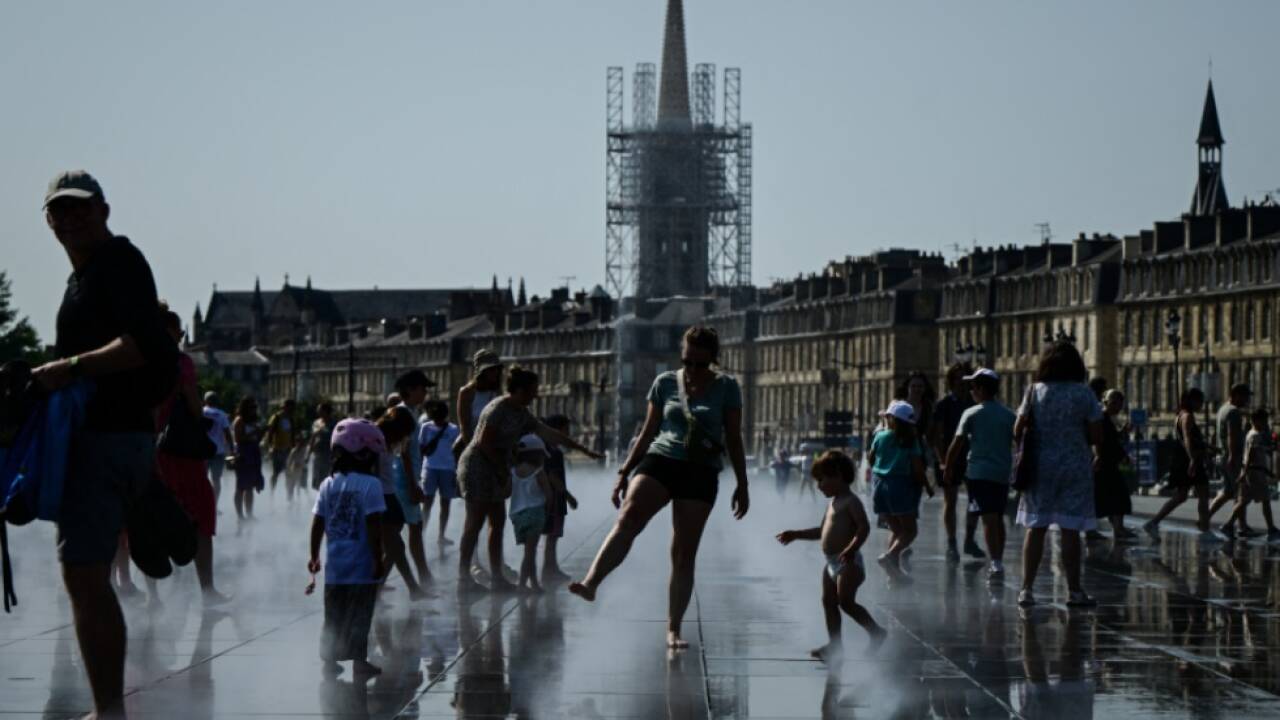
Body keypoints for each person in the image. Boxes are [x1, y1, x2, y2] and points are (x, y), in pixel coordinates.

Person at [31, 170, 178, 715]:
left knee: (85, 575)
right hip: (109, 437)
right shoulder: (88, 274)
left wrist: (67, 367)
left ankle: (109, 709)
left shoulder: (118, 262)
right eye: (58, 211)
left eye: (79, 208)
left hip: (107, 438)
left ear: (104, 210)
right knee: (88, 575)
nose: (69, 219)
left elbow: (141, 345)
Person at [570, 326, 749, 651]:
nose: (692, 369)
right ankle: (591, 582)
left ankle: (673, 629)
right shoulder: (665, 382)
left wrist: (742, 484)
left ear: (712, 359)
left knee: (683, 553)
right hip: (661, 459)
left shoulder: (727, 388)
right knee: (629, 516)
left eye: (700, 364)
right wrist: (624, 472)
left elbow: (734, 439)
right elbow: (648, 430)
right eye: (687, 361)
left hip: (701, 469)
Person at [458, 366, 603, 592]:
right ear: (519, 391)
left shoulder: (521, 413)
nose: (536, 395)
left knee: (497, 523)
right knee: (474, 523)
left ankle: (497, 577)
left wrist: (583, 449)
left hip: (496, 469)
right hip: (478, 467)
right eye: (532, 391)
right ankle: (463, 579)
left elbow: (549, 433)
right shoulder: (498, 408)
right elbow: (484, 443)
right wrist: (502, 468)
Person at [1014, 342, 1104, 608]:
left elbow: (1017, 429)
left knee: (1036, 527)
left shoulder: (1035, 392)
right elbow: (1098, 435)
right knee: (1070, 529)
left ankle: (1026, 589)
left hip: (1041, 465)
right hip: (1074, 466)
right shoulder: (1084, 394)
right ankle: (1074, 591)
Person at [776, 450, 886, 661]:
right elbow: (821, 531)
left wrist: (851, 549)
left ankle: (876, 632)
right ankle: (835, 647)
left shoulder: (851, 502)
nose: (818, 486)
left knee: (845, 602)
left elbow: (863, 528)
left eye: (821, 480)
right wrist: (796, 534)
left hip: (849, 562)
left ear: (837, 475)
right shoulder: (832, 503)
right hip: (831, 563)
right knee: (828, 601)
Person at [156, 308, 229, 604]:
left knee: (155, 516)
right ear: (170, 332)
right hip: (182, 450)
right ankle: (207, 589)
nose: (183, 338)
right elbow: (194, 406)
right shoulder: (180, 362)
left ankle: (155, 593)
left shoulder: (139, 362)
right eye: (180, 334)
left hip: (152, 449)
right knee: (200, 515)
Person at [309, 418, 387, 678]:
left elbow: (317, 523)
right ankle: (359, 663)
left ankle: (329, 660)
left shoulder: (327, 484)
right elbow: (374, 525)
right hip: (361, 567)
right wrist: (378, 558)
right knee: (360, 617)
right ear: (364, 453)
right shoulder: (371, 485)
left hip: (335, 568)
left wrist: (313, 555)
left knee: (333, 616)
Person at [944, 368, 1015, 581]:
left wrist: (948, 468)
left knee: (987, 518)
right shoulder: (1008, 415)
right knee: (998, 516)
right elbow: (1020, 442)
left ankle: (995, 563)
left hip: (978, 473)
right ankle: (998, 559)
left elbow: (956, 445)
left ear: (982, 389)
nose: (971, 391)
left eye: (973, 387)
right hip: (1002, 473)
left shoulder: (971, 413)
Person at [1142, 388, 1215, 540]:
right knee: (1203, 493)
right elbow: (1187, 439)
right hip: (1189, 459)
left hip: (1182, 459)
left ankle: (1153, 523)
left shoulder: (1180, 415)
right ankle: (1205, 531)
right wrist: (1193, 459)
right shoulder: (1187, 416)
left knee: (1181, 496)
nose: (1202, 404)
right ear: (1192, 401)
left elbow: (1188, 439)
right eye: (1200, 401)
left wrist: (1208, 447)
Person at [868, 400, 929, 576]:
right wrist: (927, 486)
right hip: (900, 486)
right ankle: (891, 556)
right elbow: (918, 468)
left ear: (891, 419)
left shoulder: (879, 436)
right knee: (910, 531)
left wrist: (880, 468)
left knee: (897, 530)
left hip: (878, 486)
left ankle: (893, 572)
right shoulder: (911, 440)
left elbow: (871, 458)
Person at [931, 363, 984, 563]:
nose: (962, 384)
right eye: (958, 380)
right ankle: (952, 542)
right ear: (951, 382)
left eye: (965, 380)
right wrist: (942, 460)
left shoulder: (974, 403)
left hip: (972, 458)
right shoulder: (944, 405)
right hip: (950, 458)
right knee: (950, 501)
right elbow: (935, 435)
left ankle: (969, 540)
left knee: (975, 502)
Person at [376, 406, 427, 599]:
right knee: (394, 546)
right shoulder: (376, 440)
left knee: (393, 546)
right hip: (380, 499)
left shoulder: (387, 441)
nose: (405, 438)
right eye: (405, 432)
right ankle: (410, 589)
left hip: (389, 496)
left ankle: (379, 587)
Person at [394, 370, 433, 584]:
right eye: (422, 388)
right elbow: (404, 452)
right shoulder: (405, 414)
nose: (426, 392)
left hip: (403, 480)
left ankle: (424, 577)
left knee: (400, 534)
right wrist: (412, 485)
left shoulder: (408, 412)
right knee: (408, 531)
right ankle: (425, 578)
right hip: (402, 481)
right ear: (409, 390)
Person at [1219, 408, 1280, 541]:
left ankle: (1228, 525)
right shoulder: (1255, 435)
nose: (1266, 423)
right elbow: (1252, 454)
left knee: (1244, 501)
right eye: (1264, 421)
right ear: (1257, 420)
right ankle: (1271, 528)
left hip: (1252, 471)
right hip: (1255, 472)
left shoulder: (1251, 433)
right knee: (1265, 500)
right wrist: (1245, 472)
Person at [510, 434, 553, 593]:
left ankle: (534, 583)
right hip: (535, 513)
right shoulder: (538, 471)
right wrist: (548, 511)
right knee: (530, 552)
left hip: (517, 515)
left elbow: (507, 491)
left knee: (529, 550)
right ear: (536, 454)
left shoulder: (512, 471)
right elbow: (549, 494)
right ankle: (522, 584)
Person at [1093, 390, 1138, 542]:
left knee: (1111, 497)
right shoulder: (1102, 418)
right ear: (1106, 402)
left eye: (1120, 403)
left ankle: (1117, 527)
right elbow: (1102, 441)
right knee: (1120, 496)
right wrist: (1123, 456)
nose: (1118, 406)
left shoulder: (1107, 419)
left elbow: (1112, 439)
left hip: (1108, 462)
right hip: (1105, 463)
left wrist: (1123, 432)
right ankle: (1118, 529)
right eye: (1115, 403)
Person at [540, 414, 579, 584]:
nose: (568, 433)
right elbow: (553, 477)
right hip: (555, 499)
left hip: (553, 498)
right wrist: (568, 496)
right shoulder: (553, 451)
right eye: (565, 430)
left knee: (552, 535)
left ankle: (552, 567)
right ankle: (548, 569)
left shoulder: (549, 448)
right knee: (552, 535)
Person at [1212, 384, 1253, 535]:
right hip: (1232, 457)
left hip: (1222, 456)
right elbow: (1231, 435)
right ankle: (1238, 526)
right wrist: (1231, 455)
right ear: (1236, 395)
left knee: (1229, 492)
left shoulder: (1223, 409)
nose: (1247, 400)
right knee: (1243, 494)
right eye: (1245, 396)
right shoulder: (1234, 412)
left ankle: (1206, 517)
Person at [419, 400, 461, 545]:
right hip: (430, 468)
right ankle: (422, 533)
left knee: (445, 503)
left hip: (448, 469)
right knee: (427, 502)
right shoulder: (426, 427)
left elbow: (458, 451)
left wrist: (457, 470)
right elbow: (421, 447)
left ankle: (441, 535)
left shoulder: (454, 429)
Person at [454, 349, 504, 459]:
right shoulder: (467, 393)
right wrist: (474, 453)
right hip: (473, 447)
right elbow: (465, 427)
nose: (495, 372)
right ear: (481, 372)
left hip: (494, 448)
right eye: (491, 369)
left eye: (497, 369)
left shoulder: (497, 392)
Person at [232, 397, 266, 521]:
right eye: (252, 407)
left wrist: (261, 433)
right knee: (240, 486)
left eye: (255, 407)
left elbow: (257, 438)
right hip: (243, 454)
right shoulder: (239, 420)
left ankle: (250, 513)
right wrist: (253, 434)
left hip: (254, 453)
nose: (254, 410)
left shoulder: (254, 421)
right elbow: (238, 439)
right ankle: (240, 515)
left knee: (250, 485)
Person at [203, 391, 234, 508]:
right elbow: (228, 433)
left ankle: (203, 502)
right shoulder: (222, 415)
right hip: (218, 451)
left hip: (202, 452)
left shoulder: (201, 412)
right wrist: (232, 450)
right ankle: (214, 505)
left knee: (202, 479)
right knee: (216, 480)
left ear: (205, 400)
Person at [265, 399, 298, 495]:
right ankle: (271, 493)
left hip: (288, 450)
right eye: (290, 407)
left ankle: (289, 496)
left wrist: (293, 447)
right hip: (277, 449)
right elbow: (270, 433)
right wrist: (270, 447)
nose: (292, 410)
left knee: (289, 474)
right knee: (276, 473)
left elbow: (292, 434)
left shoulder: (291, 419)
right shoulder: (276, 417)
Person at [309, 402, 336, 490]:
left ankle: (326, 497)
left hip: (328, 454)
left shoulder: (334, 423)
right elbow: (312, 437)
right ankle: (319, 496)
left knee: (326, 478)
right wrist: (308, 453)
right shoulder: (316, 423)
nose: (318, 411)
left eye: (320, 410)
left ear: (326, 411)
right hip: (317, 454)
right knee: (317, 478)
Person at [286, 435, 309, 501]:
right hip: (294, 470)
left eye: (300, 441)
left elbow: (306, 459)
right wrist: (288, 471)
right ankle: (291, 501)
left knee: (303, 486)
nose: (299, 443)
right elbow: (289, 461)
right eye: (298, 441)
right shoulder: (294, 451)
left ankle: (306, 500)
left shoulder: (305, 450)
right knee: (292, 486)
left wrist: (303, 464)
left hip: (302, 470)